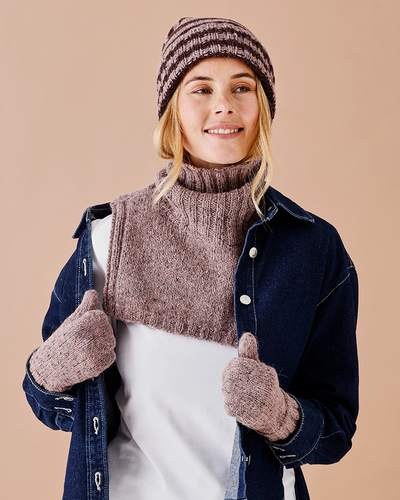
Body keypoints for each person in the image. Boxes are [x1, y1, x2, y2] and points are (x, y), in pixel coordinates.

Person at [23, 17, 359, 500]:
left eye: (242, 86)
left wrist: (280, 415)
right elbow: (47, 403)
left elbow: (335, 430)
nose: (223, 103)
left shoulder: (314, 249)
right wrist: (52, 370)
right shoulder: (108, 237)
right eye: (200, 88)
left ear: (262, 109)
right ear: (172, 113)